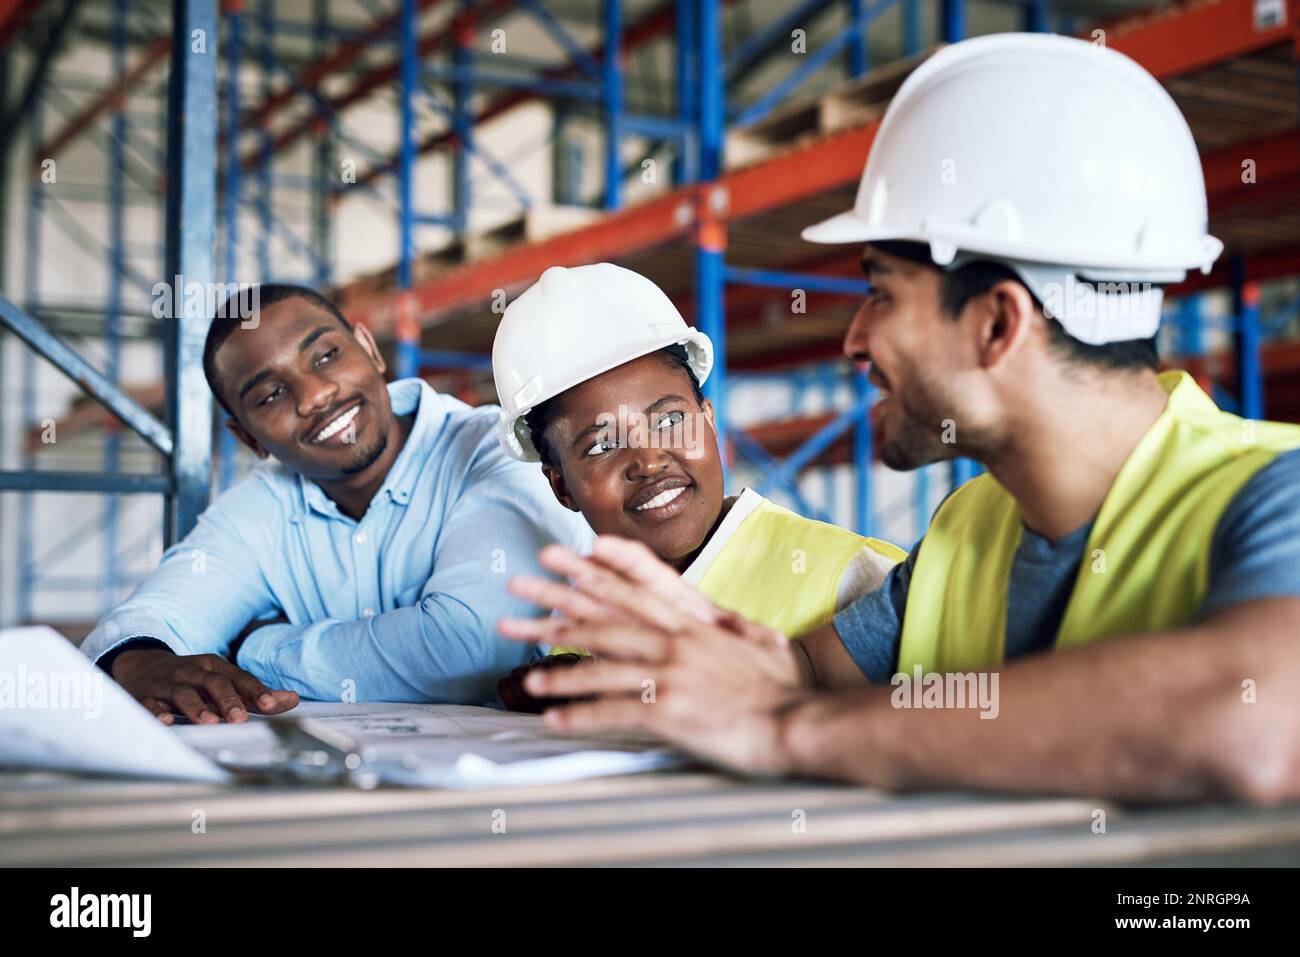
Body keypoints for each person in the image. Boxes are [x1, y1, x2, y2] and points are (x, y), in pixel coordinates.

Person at [495, 33, 1300, 803]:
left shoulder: (1274, 491)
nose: (854, 338)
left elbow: (1251, 722)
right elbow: (795, 678)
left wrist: (788, 733)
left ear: (997, 323)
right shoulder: (967, 532)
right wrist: (671, 648)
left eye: (880, 293)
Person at [80, 283, 592, 724]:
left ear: (369, 348)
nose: (314, 395)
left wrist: (253, 646)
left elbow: (469, 651)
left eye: (325, 357)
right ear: (248, 438)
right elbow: (151, 619)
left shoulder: (492, 452)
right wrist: (137, 660)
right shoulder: (257, 511)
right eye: (270, 395)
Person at [490, 264, 904, 708]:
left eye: (670, 421)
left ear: (708, 421)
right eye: (602, 445)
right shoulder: (584, 614)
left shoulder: (859, 578)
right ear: (562, 488)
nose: (648, 461)